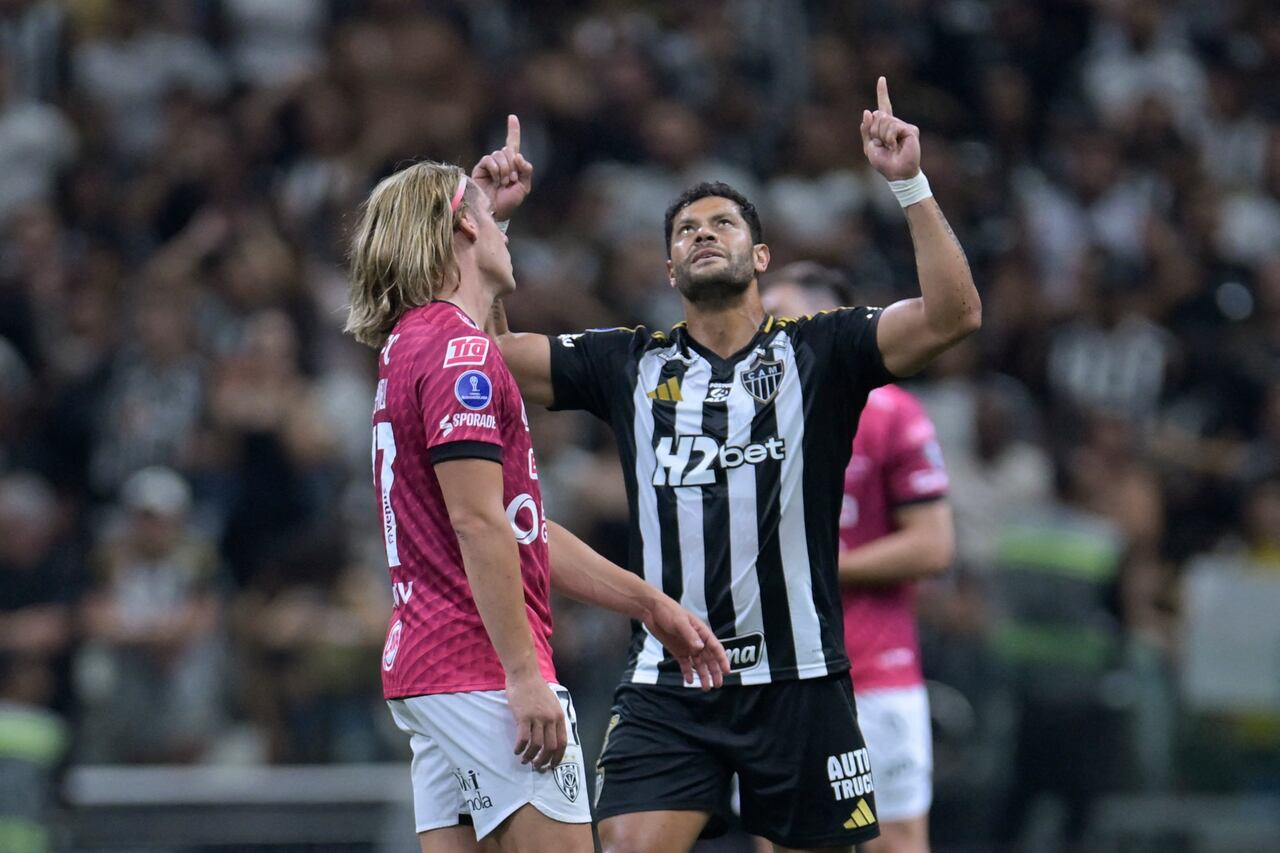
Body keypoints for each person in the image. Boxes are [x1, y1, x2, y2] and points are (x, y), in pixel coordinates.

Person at [494, 78, 981, 852]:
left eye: (722, 223)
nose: (703, 234)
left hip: (801, 681)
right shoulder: (629, 362)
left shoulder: (821, 350)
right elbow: (491, 358)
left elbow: (955, 317)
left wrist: (909, 184)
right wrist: (492, 230)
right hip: (669, 683)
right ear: (669, 269)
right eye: (686, 230)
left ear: (759, 256)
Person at [344, 125, 729, 853]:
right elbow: (480, 525)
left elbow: (518, 528)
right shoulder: (459, 353)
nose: (503, 234)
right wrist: (524, 676)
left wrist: (649, 603)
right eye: (487, 220)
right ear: (461, 227)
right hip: (481, 666)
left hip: (431, 671)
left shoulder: (413, 343)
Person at [759, 265, 954, 853]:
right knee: (785, 844)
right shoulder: (741, 415)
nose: (762, 330)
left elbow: (933, 544)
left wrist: (816, 565)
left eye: (778, 315)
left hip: (874, 671)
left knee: (894, 842)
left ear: (825, 321)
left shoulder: (891, 412)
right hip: (773, 675)